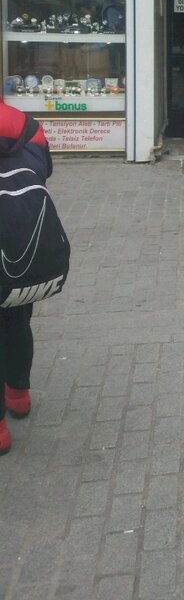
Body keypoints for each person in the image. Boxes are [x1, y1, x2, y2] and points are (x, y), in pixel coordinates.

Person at [0, 102, 54, 456]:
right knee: (17, 321)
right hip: (19, 245)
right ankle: (18, 395)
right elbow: (43, 170)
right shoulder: (22, 123)